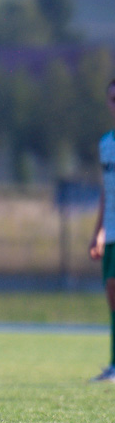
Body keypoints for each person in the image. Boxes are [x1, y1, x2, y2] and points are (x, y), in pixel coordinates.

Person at [88, 78, 115, 383]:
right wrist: (99, 232)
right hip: (112, 231)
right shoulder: (106, 143)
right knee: (112, 295)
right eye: (111, 99)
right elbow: (107, 191)